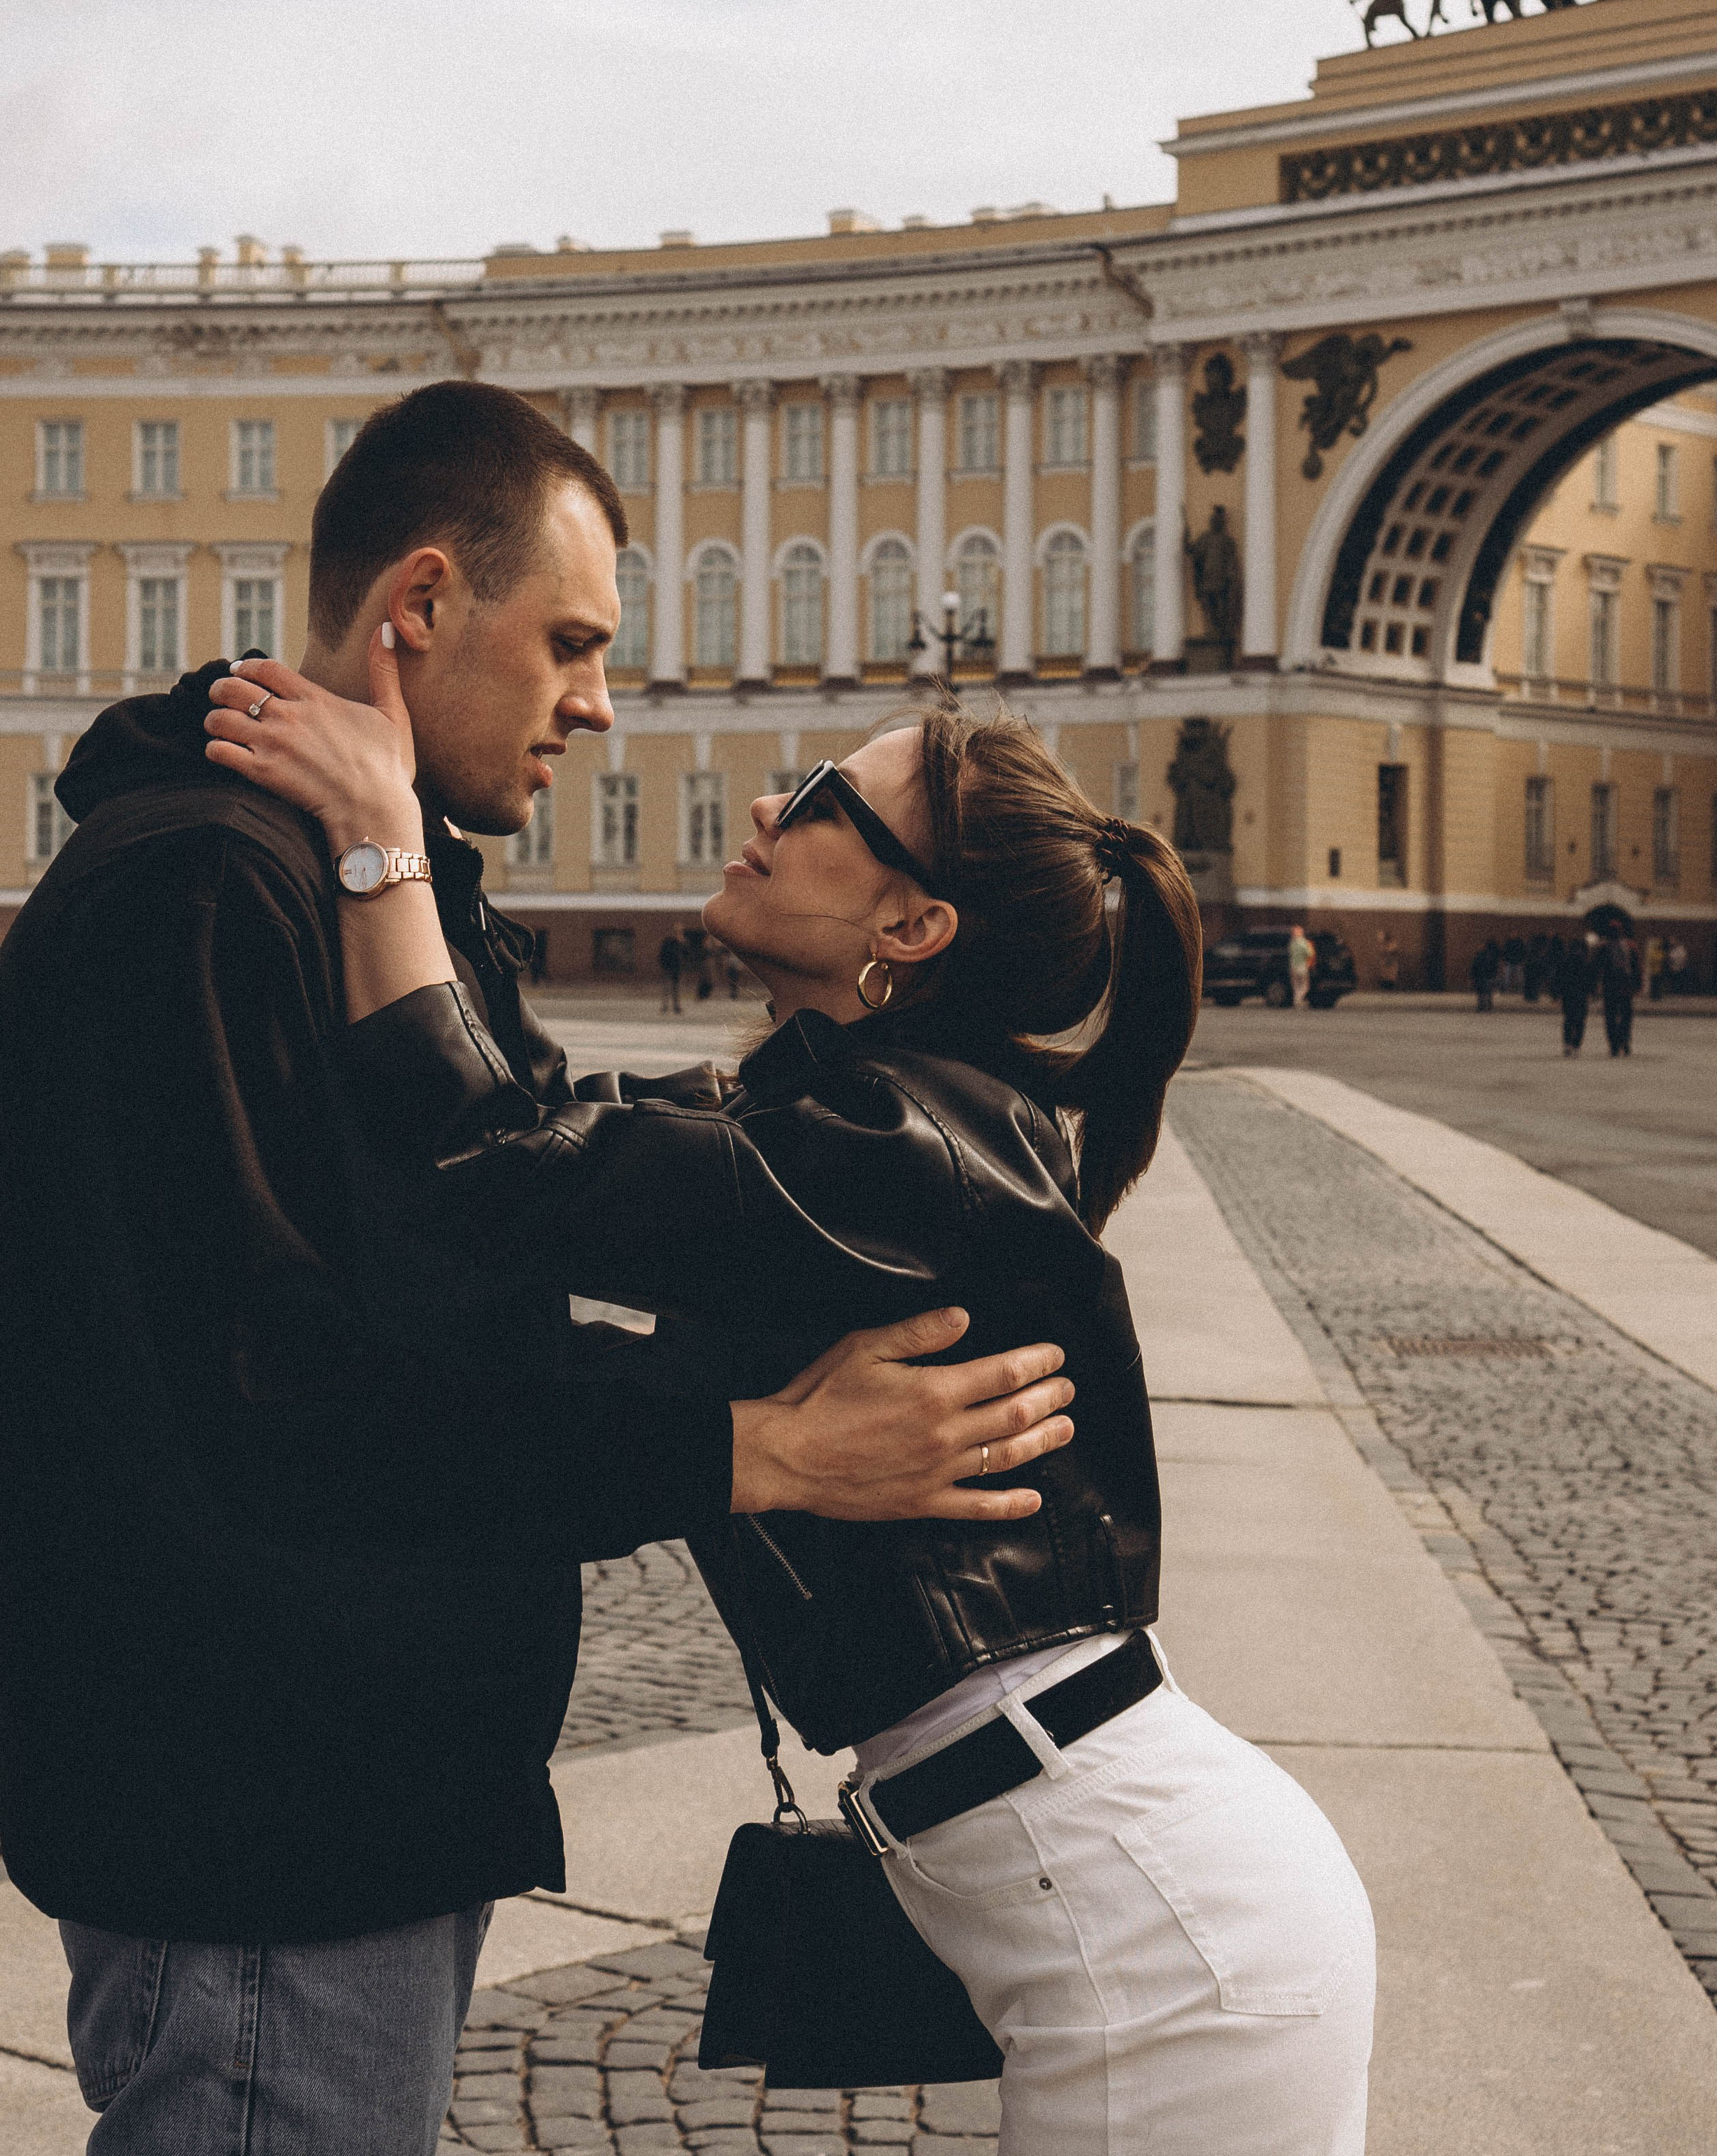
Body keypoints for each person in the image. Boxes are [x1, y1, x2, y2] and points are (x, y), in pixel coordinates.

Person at [0, 381, 1071, 2156]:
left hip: (360, 1793)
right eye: (570, 641)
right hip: (271, 1816)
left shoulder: (367, 885)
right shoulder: (207, 890)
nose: (598, 698)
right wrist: (754, 1447)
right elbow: (277, 1408)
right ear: (419, 606)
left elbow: (501, 1226)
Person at [208, 675, 1378, 2156]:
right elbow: (558, 1136)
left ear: (910, 927)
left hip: (1157, 1941)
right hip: (1115, 1885)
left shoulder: (898, 1153)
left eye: (822, 799)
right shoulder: (855, 1124)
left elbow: (492, 1161)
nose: (768, 809)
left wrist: (386, 839)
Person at [1602, 929, 1639, 1057]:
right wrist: (1637, 985)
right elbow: (1636, 967)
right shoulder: (1630, 946)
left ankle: (1614, 1046)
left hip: (1610, 987)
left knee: (1611, 1017)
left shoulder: (1604, 947)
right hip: (1626, 987)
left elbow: (1598, 967)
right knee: (1626, 1017)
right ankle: (1625, 1042)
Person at [1556, 934, 1595, 1056]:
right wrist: (1592, 992)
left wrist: (1557, 994)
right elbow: (1590, 979)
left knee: (1568, 1020)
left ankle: (1567, 1044)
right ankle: (1577, 1045)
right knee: (1580, 1021)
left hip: (1568, 994)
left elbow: (1559, 978)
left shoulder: (1565, 961)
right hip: (1582, 995)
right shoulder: (1586, 962)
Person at [1287, 920, 1316, 1008]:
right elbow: (1310, 954)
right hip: (1302, 967)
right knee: (1305, 986)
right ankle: (1298, 1000)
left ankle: (1297, 1001)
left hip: (1293, 966)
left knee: (1295, 986)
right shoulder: (1304, 943)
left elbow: (1290, 953)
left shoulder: (1292, 943)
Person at [1469, 936, 1500, 1012]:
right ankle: (1482, 1006)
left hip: (1487, 976)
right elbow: (1474, 967)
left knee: (1487, 992)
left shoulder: (1487, 956)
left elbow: (1492, 966)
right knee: (1481, 992)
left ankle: (1487, 1005)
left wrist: (1493, 975)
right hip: (1481, 976)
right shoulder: (1479, 956)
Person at [658, 927, 684, 1014]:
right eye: (678, 932)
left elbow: (685, 955)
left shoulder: (680, 944)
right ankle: (665, 1006)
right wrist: (664, 965)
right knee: (667, 988)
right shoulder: (669, 943)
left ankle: (676, 1007)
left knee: (675, 989)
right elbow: (663, 954)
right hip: (669, 968)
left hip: (676, 969)